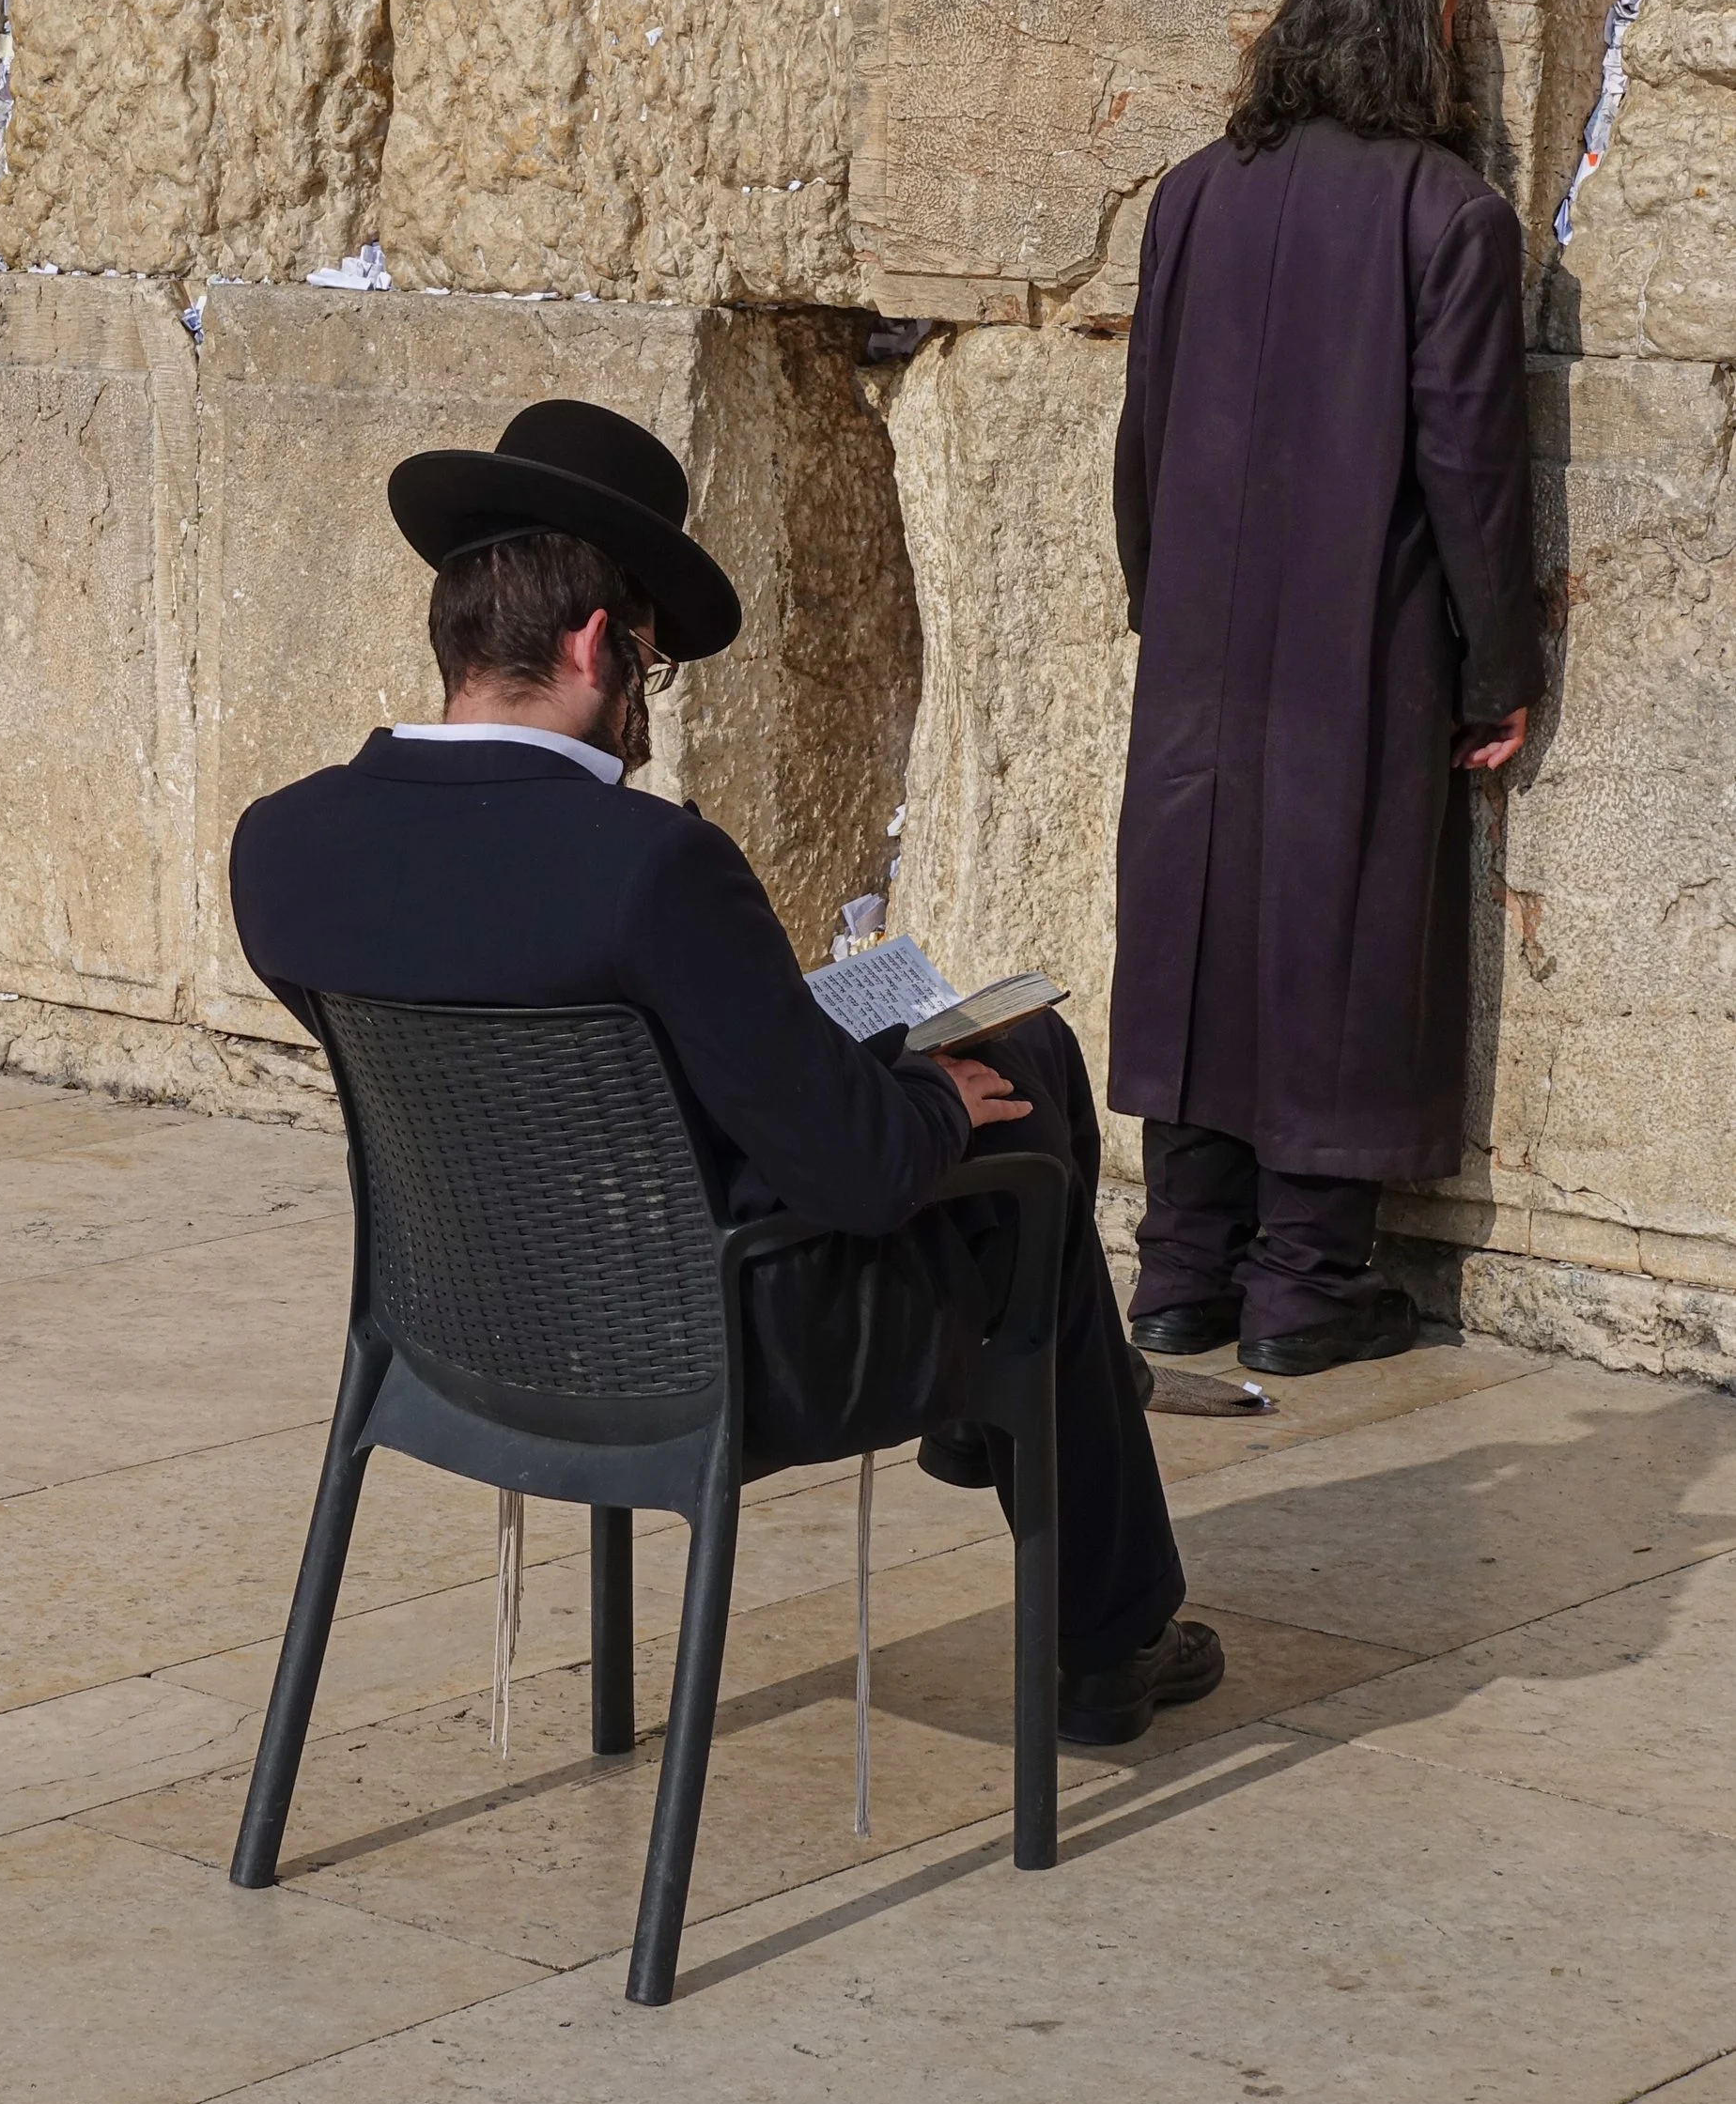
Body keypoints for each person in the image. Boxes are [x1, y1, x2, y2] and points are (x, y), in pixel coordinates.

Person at [231, 397, 1222, 1750]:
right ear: (595, 645)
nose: (646, 709)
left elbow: (518, 1070)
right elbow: (864, 1179)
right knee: (1023, 1111)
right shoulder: (649, 865)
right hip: (713, 1348)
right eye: (653, 663)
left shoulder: (280, 852)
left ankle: (1040, 1497)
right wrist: (936, 1104)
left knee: (978, 1071)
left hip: (460, 1335)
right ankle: (1101, 1620)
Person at [1109, 0, 1543, 1377]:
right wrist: (1500, 672)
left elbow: (1145, 432)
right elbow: (1474, 473)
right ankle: (1303, 1282)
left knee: (1203, 922)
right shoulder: (1451, 216)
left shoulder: (1187, 199)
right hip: (1362, 638)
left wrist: (1154, 601)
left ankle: (1180, 1268)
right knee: (1336, 929)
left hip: (1198, 645)